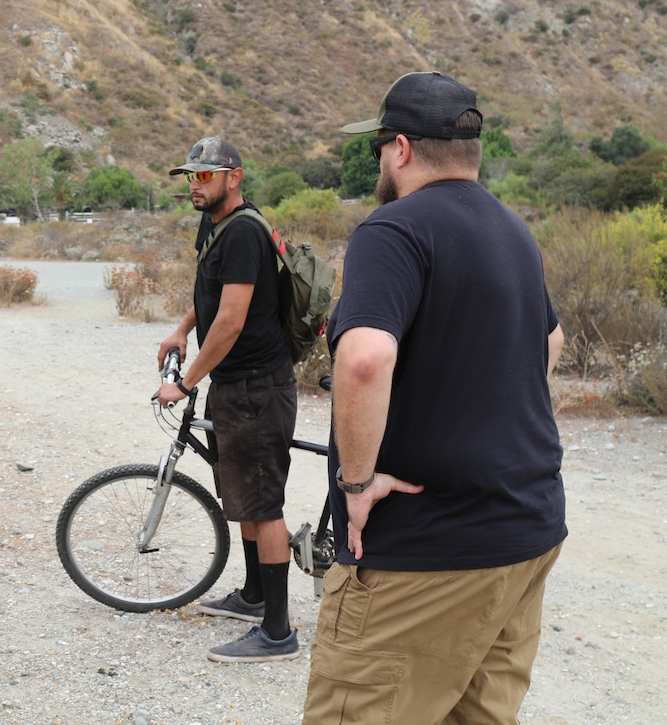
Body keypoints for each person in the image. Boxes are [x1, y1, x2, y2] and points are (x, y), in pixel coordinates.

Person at [302, 72, 567, 724]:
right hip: (526, 529)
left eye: (377, 151)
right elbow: (551, 342)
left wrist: (357, 482)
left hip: (425, 551)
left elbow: (363, 358)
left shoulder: (392, 230)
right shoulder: (513, 231)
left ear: (399, 148)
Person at [156, 137, 299, 663]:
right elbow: (208, 294)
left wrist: (186, 380)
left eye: (204, 176)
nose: (194, 185)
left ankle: (278, 631)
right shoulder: (213, 224)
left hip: (259, 386)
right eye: (190, 177)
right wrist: (180, 331)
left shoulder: (243, 232)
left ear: (233, 177)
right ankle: (254, 596)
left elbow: (233, 320)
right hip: (235, 384)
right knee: (240, 493)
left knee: (264, 504)